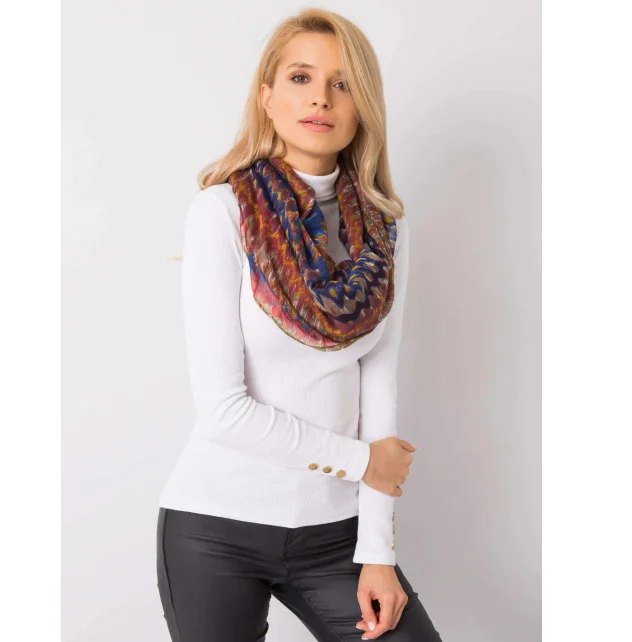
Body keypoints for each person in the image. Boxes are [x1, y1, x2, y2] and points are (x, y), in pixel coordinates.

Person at [156, 8, 443, 642]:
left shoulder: (386, 231)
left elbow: (379, 390)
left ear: (363, 106)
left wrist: (378, 552)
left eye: (342, 84)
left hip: (336, 537)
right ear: (267, 97)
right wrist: (362, 462)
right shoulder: (221, 212)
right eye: (300, 77)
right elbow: (224, 411)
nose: (320, 98)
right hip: (214, 528)